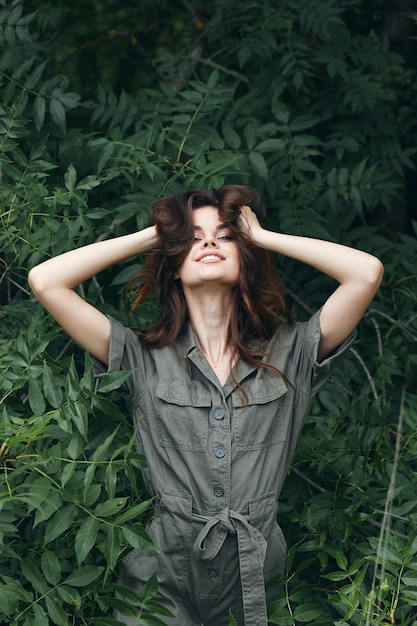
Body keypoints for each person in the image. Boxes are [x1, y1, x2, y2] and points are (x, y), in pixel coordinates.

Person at [28, 184, 383, 626]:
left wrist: (264, 236)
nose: (210, 242)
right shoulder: (141, 356)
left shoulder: (291, 353)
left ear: (245, 254)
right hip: (160, 583)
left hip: (254, 579)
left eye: (225, 235)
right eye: (193, 237)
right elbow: (46, 281)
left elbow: (366, 272)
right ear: (173, 262)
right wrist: (155, 236)